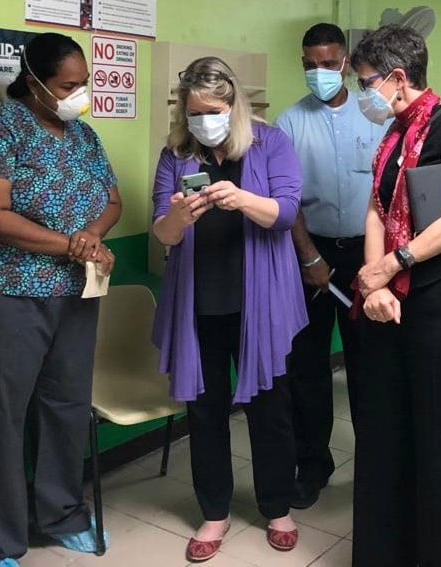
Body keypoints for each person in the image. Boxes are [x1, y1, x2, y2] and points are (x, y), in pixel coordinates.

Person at [0, 32, 121, 567]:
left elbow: (112, 200)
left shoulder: (85, 137)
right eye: (68, 86)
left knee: (67, 407)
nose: (79, 95)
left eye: (83, 84)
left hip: (74, 293)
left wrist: (91, 236)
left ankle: (61, 513)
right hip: (4, 292)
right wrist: (71, 245)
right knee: (0, 417)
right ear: (35, 83)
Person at [150, 56, 307, 563]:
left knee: (271, 409)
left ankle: (277, 506)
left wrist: (241, 199)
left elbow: (285, 212)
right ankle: (214, 512)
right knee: (206, 411)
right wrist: (176, 216)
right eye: (194, 112)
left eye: (213, 110)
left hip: (260, 303)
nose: (203, 121)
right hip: (199, 303)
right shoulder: (176, 155)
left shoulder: (270, 144)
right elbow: (162, 234)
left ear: (234, 105)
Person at [348, 24, 441, 566]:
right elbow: (374, 211)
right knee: (383, 438)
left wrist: (389, 266)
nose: (362, 93)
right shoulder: (391, 136)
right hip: (386, 306)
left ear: (398, 78)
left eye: (366, 83)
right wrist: (372, 280)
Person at [274, 22, 389, 510]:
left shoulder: (379, 114)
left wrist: (381, 263)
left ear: (344, 62)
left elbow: (391, 193)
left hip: (369, 253)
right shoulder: (289, 123)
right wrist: (310, 258)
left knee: (370, 366)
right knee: (307, 367)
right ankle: (312, 465)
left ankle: (378, 468)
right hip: (309, 254)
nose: (318, 72)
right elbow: (287, 198)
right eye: (309, 65)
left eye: (327, 63)